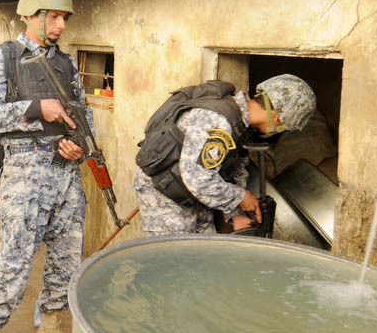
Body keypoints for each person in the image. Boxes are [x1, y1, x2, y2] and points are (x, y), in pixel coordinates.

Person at [0, 0, 90, 333]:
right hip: (25, 171)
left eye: (63, 18)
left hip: (64, 174)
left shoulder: (68, 64)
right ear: (32, 15)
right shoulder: (2, 58)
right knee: (15, 259)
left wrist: (76, 147)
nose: (59, 25)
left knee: (66, 255)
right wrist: (37, 107)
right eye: (53, 16)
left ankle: (51, 325)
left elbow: (82, 116)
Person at [133, 74, 316, 235]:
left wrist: (237, 213)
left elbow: (233, 171)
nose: (278, 131)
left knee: (202, 260)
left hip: (192, 195)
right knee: (175, 265)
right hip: (166, 198)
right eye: (283, 127)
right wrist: (240, 197)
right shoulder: (217, 121)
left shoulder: (241, 127)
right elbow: (198, 179)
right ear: (277, 117)